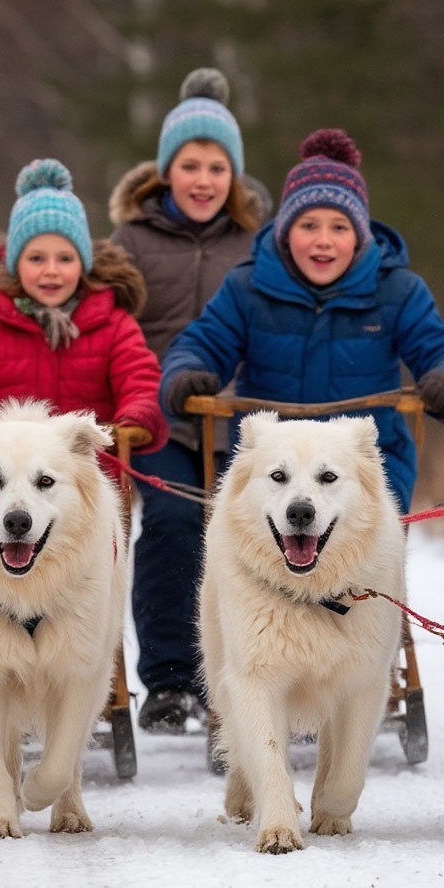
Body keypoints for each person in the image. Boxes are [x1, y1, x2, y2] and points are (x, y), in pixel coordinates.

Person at [159, 127, 444, 516]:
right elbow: (200, 344)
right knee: (259, 565)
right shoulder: (247, 287)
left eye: (339, 227)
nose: (323, 241)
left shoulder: (397, 290)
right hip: (274, 468)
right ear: (285, 233)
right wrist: (186, 374)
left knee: (356, 562)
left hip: (366, 465)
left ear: (360, 236)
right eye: (308, 226)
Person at [107, 68, 268, 734]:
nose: (203, 180)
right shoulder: (131, 244)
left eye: (217, 166)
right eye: (190, 165)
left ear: (234, 175)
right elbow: (107, 329)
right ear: (165, 172)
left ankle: (265, 671)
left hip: (249, 424)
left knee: (267, 537)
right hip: (165, 423)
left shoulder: (261, 243)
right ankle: (172, 680)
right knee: (174, 524)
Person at [0, 157, 167, 478]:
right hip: (3, 486)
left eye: (65, 258)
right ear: (16, 264)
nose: (51, 270)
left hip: (86, 487)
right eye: (36, 258)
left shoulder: (114, 325)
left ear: (83, 263)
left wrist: (135, 420)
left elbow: (142, 383)